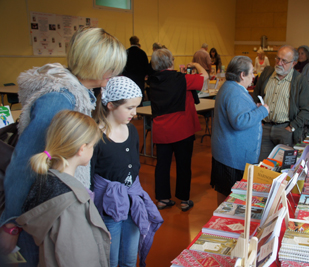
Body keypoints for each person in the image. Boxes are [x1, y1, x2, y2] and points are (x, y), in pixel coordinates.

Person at [0, 27, 126, 265]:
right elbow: (23, 165)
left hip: (51, 204)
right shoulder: (60, 98)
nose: (114, 73)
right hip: (37, 213)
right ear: (93, 62)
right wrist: (10, 225)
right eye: (111, 67)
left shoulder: (80, 94)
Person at [16, 110, 110, 267]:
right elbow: (78, 258)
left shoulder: (47, 181)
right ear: (82, 149)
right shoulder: (72, 202)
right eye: (92, 146)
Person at [91, 76, 163, 267]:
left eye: (136, 107)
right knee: (111, 259)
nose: (135, 113)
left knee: (130, 258)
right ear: (111, 105)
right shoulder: (96, 136)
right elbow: (89, 178)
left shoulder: (131, 130)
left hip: (132, 202)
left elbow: (134, 166)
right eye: (129, 108)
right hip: (109, 207)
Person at [148, 48, 208, 211]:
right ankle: (183, 200)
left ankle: (162, 199)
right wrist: (196, 64)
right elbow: (205, 78)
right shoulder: (182, 79)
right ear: (171, 61)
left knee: (162, 165)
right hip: (182, 128)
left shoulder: (153, 80)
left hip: (161, 129)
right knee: (183, 165)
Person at [211, 56, 270, 204]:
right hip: (232, 156)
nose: (253, 76)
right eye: (251, 73)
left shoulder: (230, 86)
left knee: (224, 192)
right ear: (242, 75)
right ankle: (225, 224)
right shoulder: (235, 91)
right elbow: (239, 121)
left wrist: (253, 109)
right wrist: (262, 111)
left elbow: (239, 113)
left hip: (227, 153)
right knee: (231, 196)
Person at [253, 45, 309, 161]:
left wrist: (291, 127)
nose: (279, 63)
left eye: (284, 61)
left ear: (294, 63)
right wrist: (259, 120)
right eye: (277, 59)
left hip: (285, 130)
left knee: (283, 168)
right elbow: (255, 97)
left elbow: (306, 110)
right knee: (262, 166)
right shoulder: (267, 74)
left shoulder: (299, 81)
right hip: (265, 127)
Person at [294, 45, 309, 135]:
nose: (300, 55)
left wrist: (299, 89)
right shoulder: (295, 66)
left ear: (307, 55)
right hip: (295, 99)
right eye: (298, 53)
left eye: (302, 53)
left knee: (304, 123)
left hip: (304, 98)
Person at [122, 36, 150, 103]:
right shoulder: (142, 53)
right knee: (139, 95)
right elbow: (146, 66)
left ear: (130, 42)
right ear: (138, 42)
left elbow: (122, 66)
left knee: (129, 96)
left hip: (128, 79)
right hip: (139, 79)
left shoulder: (126, 53)